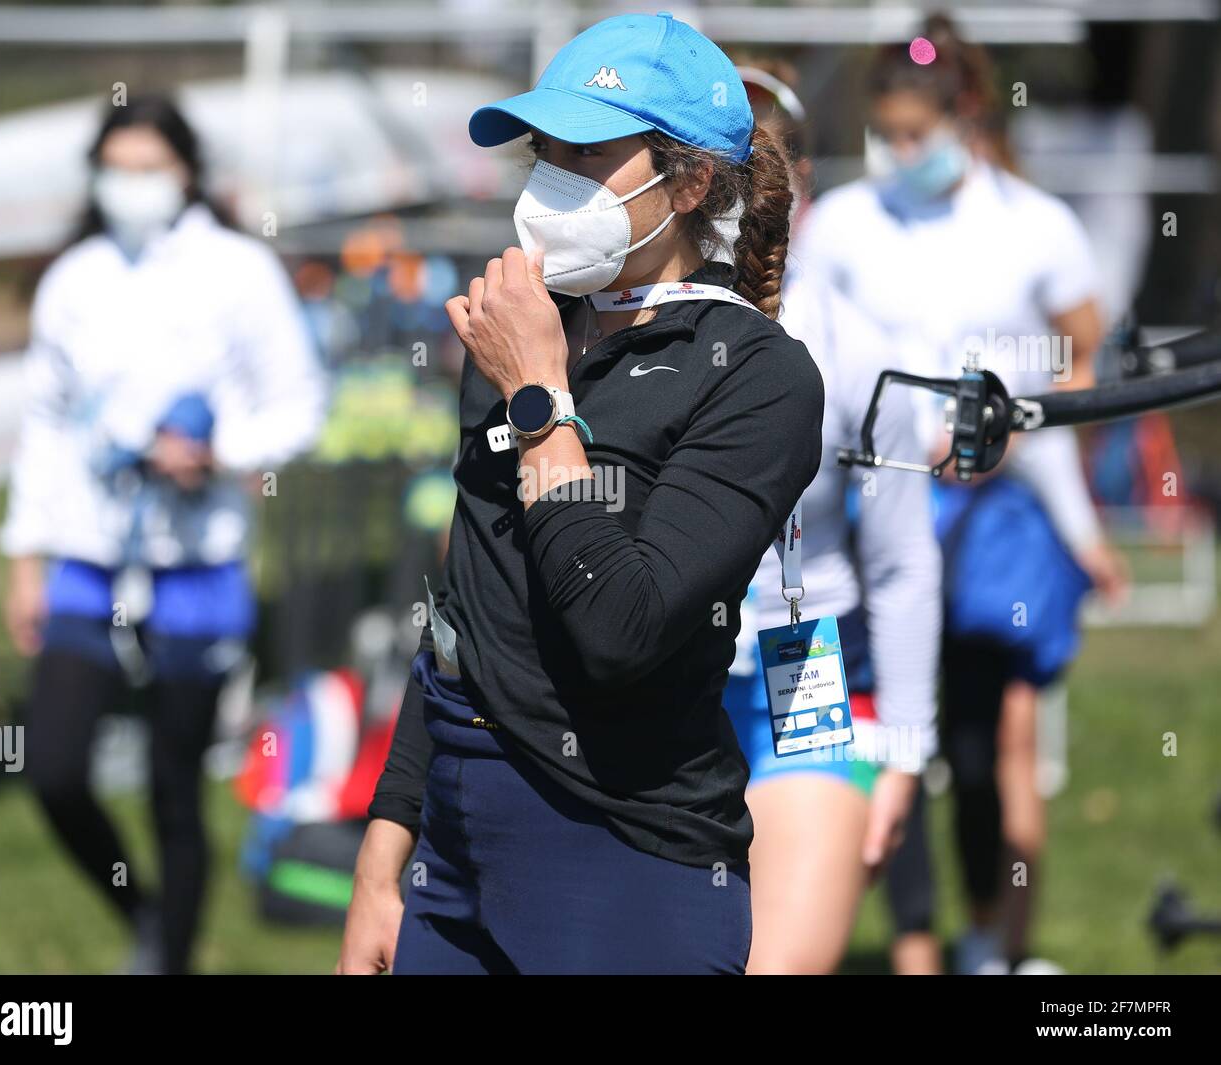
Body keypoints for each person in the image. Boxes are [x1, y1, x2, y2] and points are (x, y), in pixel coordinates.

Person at [337, 12, 824, 975]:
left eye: (587, 151)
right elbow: (460, 619)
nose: (550, 179)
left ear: (687, 183)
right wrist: (380, 865)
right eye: (542, 150)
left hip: (625, 858)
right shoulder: (518, 332)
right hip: (455, 854)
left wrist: (541, 402)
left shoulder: (756, 376)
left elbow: (620, 629)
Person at [797, 14, 1128, 974]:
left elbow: (1080, 356)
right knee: (878, 722)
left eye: (917, 133)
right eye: (887, 133)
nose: (903, 153)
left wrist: (1008, 426)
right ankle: (906, 942)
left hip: (994, 519)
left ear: (964, 114)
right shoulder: (845, 227)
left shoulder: (1035, 226)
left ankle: (997, 943)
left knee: (989, 747)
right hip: (875, 506)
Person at [0, 95, 326, 974]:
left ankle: (170, 958)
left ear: (185, 172)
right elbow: (45, 424)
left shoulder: (238, 272)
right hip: (88, 562)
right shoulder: (76, 278)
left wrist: (220, 452)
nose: (132, 187)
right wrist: (25, 559)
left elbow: (300, 404)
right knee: (56, 769)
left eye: (151, 168)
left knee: (172, 788)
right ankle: (141, 914)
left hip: (198, 566)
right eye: (118, 169)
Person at [723, 64, 943, 975]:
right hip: (652, 683)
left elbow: (901, 564)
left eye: (760, 170)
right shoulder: (603, 331)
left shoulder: (859, 350)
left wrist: (904, 751)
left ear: (798, 185)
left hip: (803, 671)